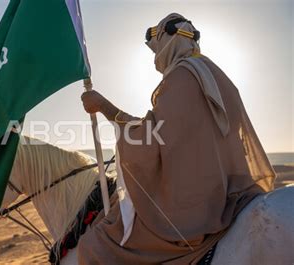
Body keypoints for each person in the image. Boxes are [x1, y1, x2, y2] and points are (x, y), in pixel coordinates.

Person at [78, 13, 275, 264]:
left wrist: (104, 106)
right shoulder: (217, 75)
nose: (155, 57)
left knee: (97, 243)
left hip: (196, 205)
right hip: (232, 191)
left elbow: (149, 139)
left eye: (156, 48)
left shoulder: (180, 77)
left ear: (169, 43)